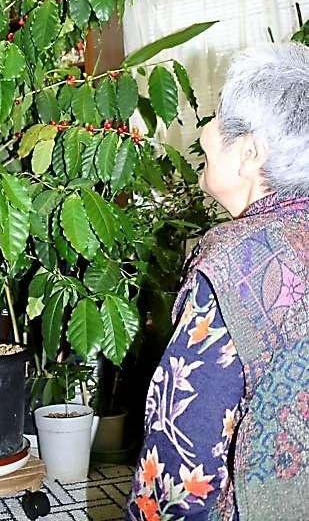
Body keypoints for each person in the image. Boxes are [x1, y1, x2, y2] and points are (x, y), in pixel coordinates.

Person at [125, 42, 309, 521]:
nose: (206, 129)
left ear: (250, 152)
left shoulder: (238, 259)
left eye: (219, 114)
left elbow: (186, 438)